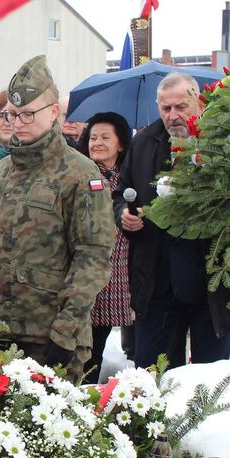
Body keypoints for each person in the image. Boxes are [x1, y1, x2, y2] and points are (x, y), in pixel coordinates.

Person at [0, 55, 116, 379]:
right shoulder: (0, 173)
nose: (17, 122)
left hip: (50, 337)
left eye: (27, 114)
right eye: (12, 114)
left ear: (53, 113)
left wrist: (64, 333)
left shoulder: (79, 174)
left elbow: (92, 258)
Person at [114, 72, 230, 369]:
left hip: (211, 283)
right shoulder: (143, 142)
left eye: (181, 106)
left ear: (198, 101)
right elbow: (120, 192)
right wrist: (122, 215)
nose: (173, 116)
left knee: (210, 380)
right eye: (166, 109)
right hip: (156, 283)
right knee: (153, 378)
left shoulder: (222, 143)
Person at [76, 112, 135, 381]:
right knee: (79, 345)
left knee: (98, 343)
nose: (96, 142)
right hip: (82, 268)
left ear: (121, 144)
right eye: (92, 137)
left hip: (116, 273)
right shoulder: (79, 174)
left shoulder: (129, 178)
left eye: (104, 137)